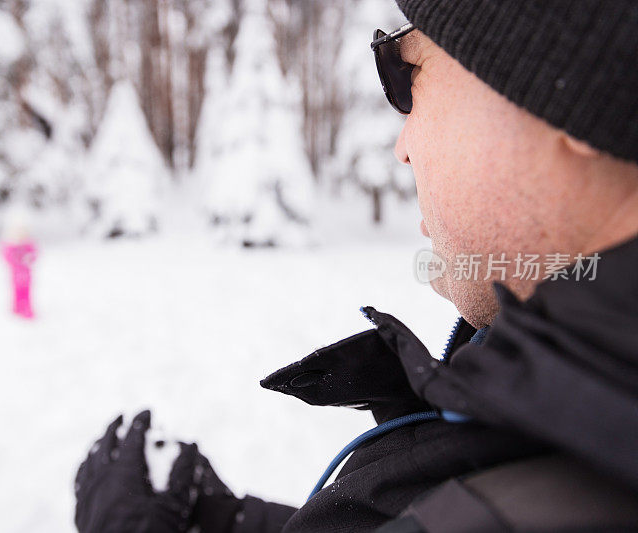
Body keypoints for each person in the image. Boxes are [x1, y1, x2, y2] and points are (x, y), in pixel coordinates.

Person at [74, 1, 638, 531]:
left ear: (581, 89)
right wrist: (225, 520)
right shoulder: (554, 445)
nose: (403, 145)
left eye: (406, 68)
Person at [1, 210, 37, 319]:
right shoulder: (10, 246)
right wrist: (16, 261)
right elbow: (6, 256)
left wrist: (29, 259)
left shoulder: (28, 244)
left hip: (27, 274)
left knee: (26, 292)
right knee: (17, 291)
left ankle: (26, 307)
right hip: (15, 274)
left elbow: (34, 254)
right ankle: (17, 307)